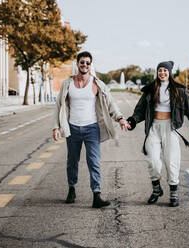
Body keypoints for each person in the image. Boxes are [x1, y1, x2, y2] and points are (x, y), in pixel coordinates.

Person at [53, 51, 128, 208]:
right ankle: (72, 189)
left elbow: (110, 104)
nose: (84, 65)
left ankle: (96, 194)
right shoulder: (68, 84)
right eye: (82, 62)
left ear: (90, 65)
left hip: (91, 128)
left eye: (87, 63)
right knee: (72, 161)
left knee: (94, 161)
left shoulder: (97, 84)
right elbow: (59, 106)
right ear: (77, 63)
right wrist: (56, 127)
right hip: (72, 128)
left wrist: (120, 118)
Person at [126, 61, 189, 207]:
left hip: (171, 128)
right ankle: (156, 189)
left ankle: (173, 194)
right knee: (153, 161)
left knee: (171, 161)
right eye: (160, 70)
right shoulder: (150, 90)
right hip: (154, 127)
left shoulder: (179, 91)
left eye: (165, 71)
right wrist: (132, 121)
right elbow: (140, 110)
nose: (162, 73)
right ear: (157, 72)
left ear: (169, 73)